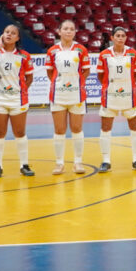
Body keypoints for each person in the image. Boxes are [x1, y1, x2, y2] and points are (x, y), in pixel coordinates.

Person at [0, 24, 34, 178]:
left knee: (20, 132)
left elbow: (29, 77)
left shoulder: (24, 55)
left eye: (13, 33)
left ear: (18, 38)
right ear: (2, 34)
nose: (9, 35)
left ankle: (24, 165)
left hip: (18, 99)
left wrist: (20, 90)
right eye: (6, 32)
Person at [46, 19, 91, 175]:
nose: (68, 31)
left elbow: (86, 71)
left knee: (77, 128)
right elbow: (50, 72)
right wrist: (61, 83)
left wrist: (76, 83)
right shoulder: (52, 50)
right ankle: (59, 164)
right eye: (65, 28)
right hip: (58, 94)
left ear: (75, 32)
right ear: (59, 31)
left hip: (77, 94)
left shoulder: (81, 50)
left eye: (71, 29)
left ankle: (78, 162)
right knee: (59, 129)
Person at [98, 26, 136, 173]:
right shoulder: (104, 54)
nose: (120, 38)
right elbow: (101, 76)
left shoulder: (132, 53)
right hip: (110, 96)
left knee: (135, 128)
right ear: (112, 38)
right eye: (117, 35)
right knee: (105, 129)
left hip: (129, 96)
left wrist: (126, 86)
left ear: (126, 38)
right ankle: (106, 161)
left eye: (123, 35)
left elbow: (135, 76)